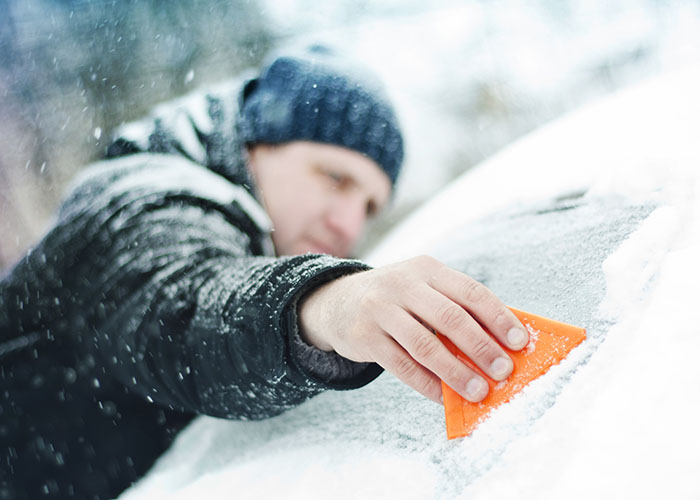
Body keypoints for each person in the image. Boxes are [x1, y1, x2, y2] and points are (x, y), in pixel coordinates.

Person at [0, 46, 529, 499]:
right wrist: (328, 304)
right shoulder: (140, 202)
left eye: (370, 207)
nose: (347, 222)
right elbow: (186, 310)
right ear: (255, 143)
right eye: (335, 178)